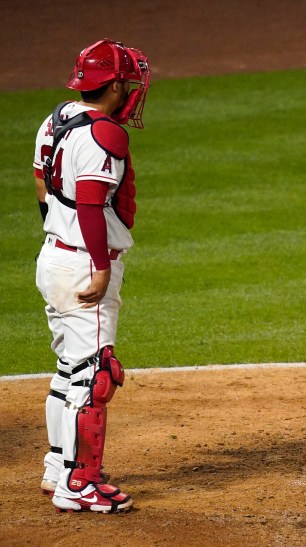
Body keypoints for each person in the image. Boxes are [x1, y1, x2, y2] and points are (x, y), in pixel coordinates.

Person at [33, 39, 150, 513]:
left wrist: (56, 233)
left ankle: (58, 465)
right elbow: (90, 206)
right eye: (131, 82)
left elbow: (42, 182)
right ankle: (78, 484)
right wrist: (99, 266)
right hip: (84, 263)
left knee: (69, 370)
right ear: (117, 84)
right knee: (95, 375)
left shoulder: (56, 117)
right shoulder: (106, 134)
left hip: (53, 258)